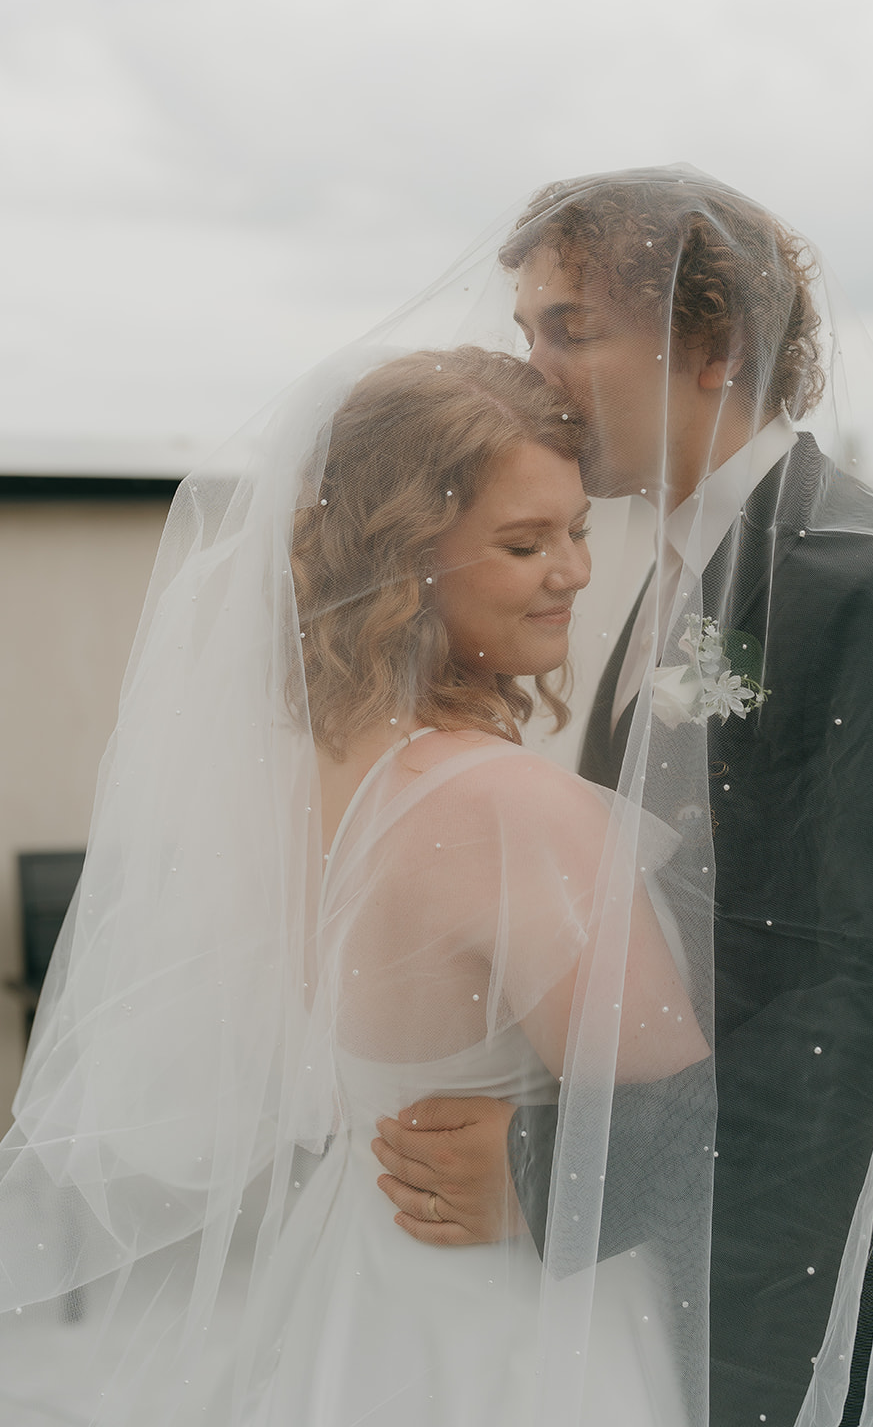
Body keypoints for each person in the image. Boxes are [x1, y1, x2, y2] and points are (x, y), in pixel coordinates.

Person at [372, 170, 873, 1425]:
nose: (531, 368)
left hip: (801, 1297)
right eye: (527, 327)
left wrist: (551, 1175)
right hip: (674, 1274)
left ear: (712, 344)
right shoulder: (679, 566)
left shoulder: (866, 585)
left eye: (569, 327)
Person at [0, 344, 709, 1426]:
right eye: (525, 543)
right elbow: (684, 1129)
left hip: (364, 1280)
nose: (573, 571)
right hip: (518, 1326)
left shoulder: (294, 768)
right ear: (402, 560)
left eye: (577, 529)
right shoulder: (512, 810)